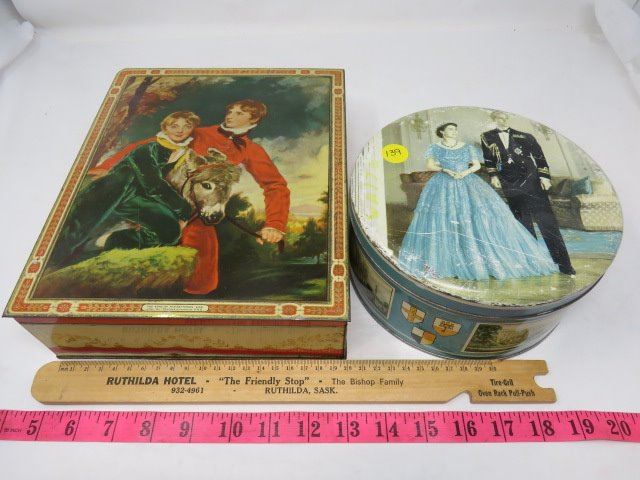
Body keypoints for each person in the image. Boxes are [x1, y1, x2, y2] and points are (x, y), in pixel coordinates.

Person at [92, 99, 290, 294]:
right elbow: (148, 145)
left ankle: (188, 303)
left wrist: (275, 224)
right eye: (230, 111)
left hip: (200, 209)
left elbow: (275, 185)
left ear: (253, 119)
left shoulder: (251, 149)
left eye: (239, 113)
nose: (230, 116)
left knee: (202, 272)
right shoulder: (198, 133)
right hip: (160, 196)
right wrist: (107, 165)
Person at [398, 122, 558, 281]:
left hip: (467, 180)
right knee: (444, 217)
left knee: (475, 216)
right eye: (451, 129)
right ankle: (450, 260)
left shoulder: (466, 147)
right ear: (442, 132)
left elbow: (476, 165)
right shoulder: (435, 147)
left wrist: (464, 173)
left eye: (455, 129)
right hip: (443, 183)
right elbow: (430, 165)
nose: (454, 131)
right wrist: (445, 169)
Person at [50, 111, 200, 266]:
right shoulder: (148, 149)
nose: (180, 130)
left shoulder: (182, 153)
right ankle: (56, 261)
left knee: (170, 232)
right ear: (165, 128)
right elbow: (153, 184)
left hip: (135, 197)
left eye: (186, 126)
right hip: (113, 189)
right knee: (71, 234)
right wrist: (184, 209)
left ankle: (108, 241)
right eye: (174, 126)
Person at [480, 111, 575, 275]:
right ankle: (534, 266)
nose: (503, 120)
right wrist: (493, 175)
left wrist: (544, 177)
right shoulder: (486, 137)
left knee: (547, 223)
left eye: (505, 117)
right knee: (523, 225)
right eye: (499, 118)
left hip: (532, 181)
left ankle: (565, 266)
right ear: (493, 119)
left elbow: (540, 157)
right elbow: (488, 159)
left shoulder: (525, 136)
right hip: (510, 184)